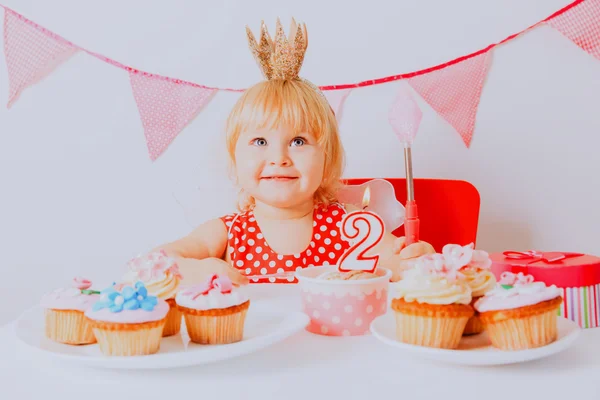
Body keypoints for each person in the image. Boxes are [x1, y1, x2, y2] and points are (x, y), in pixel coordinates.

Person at [155, 18, 435, 285]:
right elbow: (155, 263)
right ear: (235, 159)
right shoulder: (227, 233)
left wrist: (417, 262)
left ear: (327, 157)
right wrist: (196, 269)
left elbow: (400, 266)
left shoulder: (350, 225)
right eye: (260, 142)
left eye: (298, 141)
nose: (279, 158)